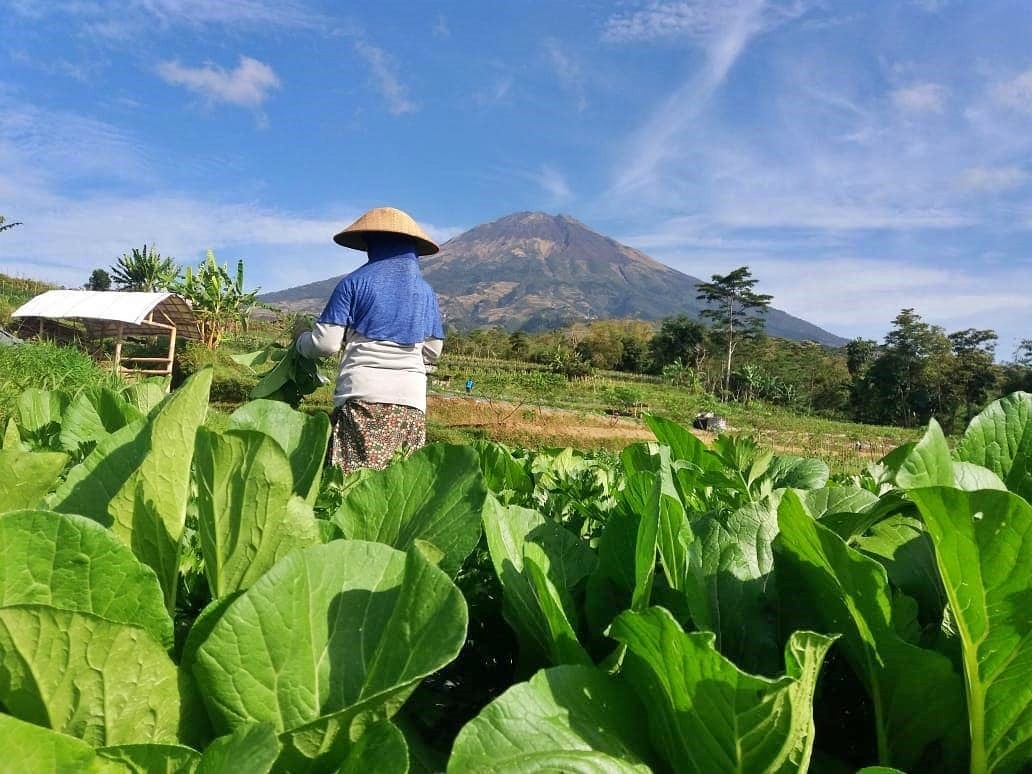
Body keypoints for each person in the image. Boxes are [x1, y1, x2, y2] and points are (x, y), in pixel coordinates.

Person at [294, 206, 444, 475]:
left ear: (373, 244)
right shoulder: (426, 293)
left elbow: (325, 344)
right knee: (397, 485)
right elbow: (433, 350)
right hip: (411, 403)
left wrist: (300, 339)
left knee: (352, 486)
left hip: (363, 399)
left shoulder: (354, 283)